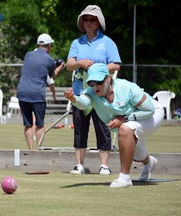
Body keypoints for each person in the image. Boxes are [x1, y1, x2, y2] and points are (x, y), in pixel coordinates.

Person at [64, 63, 164, 188]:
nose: (95, 86)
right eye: (91, 83)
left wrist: (124, 119)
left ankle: (124, 178)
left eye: (99, 82)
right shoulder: (91, 91)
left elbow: (149, 110)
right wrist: (74, 99)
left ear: (108, 79)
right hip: (131, 119)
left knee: (125, 129)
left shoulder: (126, 88)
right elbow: (84, 103)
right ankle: (148, 163)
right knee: (136, 155)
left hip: (151, 113)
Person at [66, 5, 121, 175]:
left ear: (98, 23)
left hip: (101, 92)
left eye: (92, 19)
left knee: (102, 127)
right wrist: (79, 63)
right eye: (86, 19)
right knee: (80, 127)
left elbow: (116, 64)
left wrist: (100, 68)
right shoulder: (77, 42)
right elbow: (69, 65)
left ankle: (104, 165)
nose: (88, 22)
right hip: (80, 92)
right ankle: (79, 165)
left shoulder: (107, 42)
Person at [17, 33, 64, 150]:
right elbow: (52, 76)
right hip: (37, 94)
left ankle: (30, 151)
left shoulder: (28, 55)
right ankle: (39, 151)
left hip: (22, 92)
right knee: (39, 124)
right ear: (48, 46)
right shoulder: (49, 60)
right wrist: (59, 67)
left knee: (28, 124)